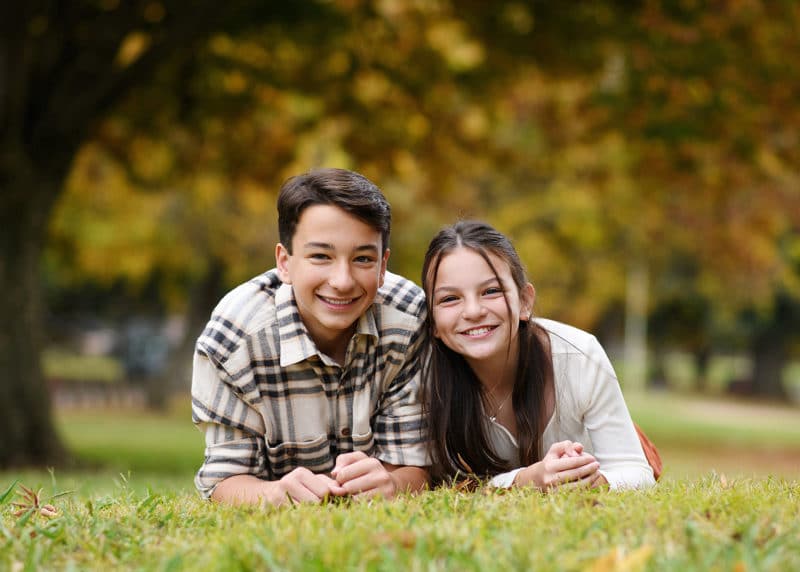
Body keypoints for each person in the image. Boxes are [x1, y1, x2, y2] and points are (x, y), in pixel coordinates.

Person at [191, 168, 429, 506]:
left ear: (383, 265)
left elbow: (415, 467)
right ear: (284, 263)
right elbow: (223, 482)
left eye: (363, 258)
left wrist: (391, 483)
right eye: (321, 256)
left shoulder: (409, 322)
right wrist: (272, 493)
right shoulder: (232, 341)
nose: (343, 281)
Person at [420, 220, 656, 491]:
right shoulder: (425, 380)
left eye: (491, 291)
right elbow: (443, 484)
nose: (473, 311)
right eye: (450, 299)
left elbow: (636, 471)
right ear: (433, 321)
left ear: (524, 302)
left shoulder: (580, 355)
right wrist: (524, 480)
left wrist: (593, 480)